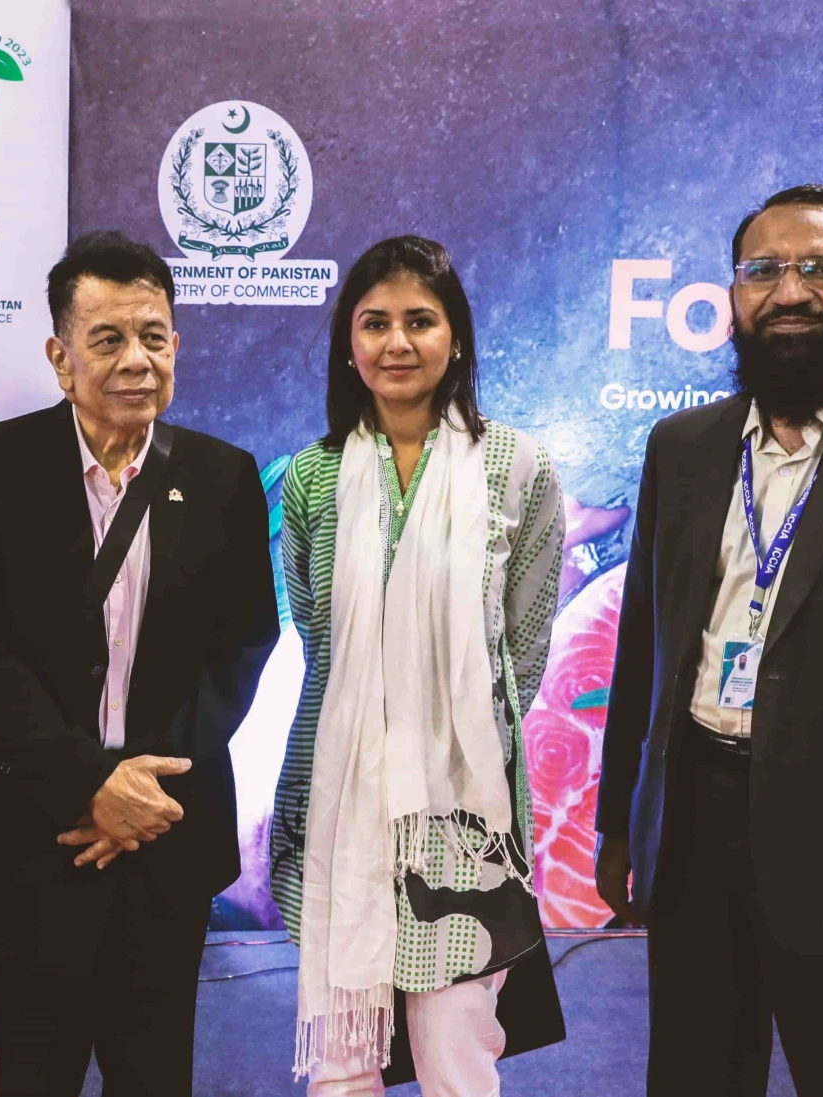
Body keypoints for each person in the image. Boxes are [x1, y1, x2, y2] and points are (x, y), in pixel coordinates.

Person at [598, 184, 823, 1095]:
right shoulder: (683, 445)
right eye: (763, 270)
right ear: (734, 294)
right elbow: (644, 651)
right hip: (693, 839)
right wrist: (621, 826)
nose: (790, 291)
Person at [0, 231, 279, 1095]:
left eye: (154, 336)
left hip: (168, 829)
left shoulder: (224, 475)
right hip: (41, 830)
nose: (137, 360)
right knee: (34, 1072)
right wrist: (88, 782)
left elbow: (244, 642)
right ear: (61, 357)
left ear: (176, 345)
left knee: (154, 1073)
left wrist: (143, 789)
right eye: (109, 338)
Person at [269, 236, 567, 1095]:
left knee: (457, 1052)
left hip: (462, 812)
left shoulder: (516, 465)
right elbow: (316, 633)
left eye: (420, 321)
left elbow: (524, 642)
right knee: (342, 1055)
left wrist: (446, 734)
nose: (396, 342)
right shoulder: (314, 475)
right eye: (375, 323)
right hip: (340, 795)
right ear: (349, 344)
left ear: (456, 338)